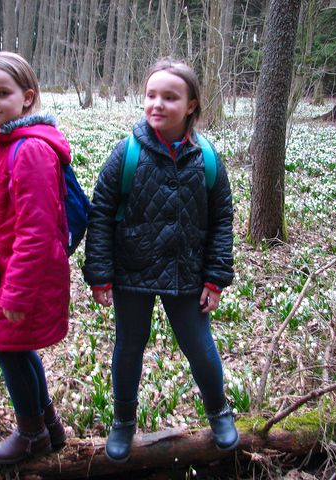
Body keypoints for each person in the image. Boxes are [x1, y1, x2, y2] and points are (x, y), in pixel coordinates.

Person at [82, 58, 239, 463]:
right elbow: (101, 212)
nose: (157, 104)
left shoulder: (207, 158)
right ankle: (123, 421)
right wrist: (99, 273)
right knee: (129, 346)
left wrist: (216, 278)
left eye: (170, 97)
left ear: (191, 105)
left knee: (199, 346)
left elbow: (221, 219)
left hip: (187, 272)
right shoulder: (127, 153)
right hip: (132, 269)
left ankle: (219, 411)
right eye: (151, 95)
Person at [0, 51, 70, 465]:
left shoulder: (29, 151)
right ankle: (49, 426)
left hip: (22, 278)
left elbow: (37, 231)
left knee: (9, 349)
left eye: (2, 93)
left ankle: (31, 435)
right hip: (1, 272)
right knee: (16, 348)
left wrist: (17, 293)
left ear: (27, 97)